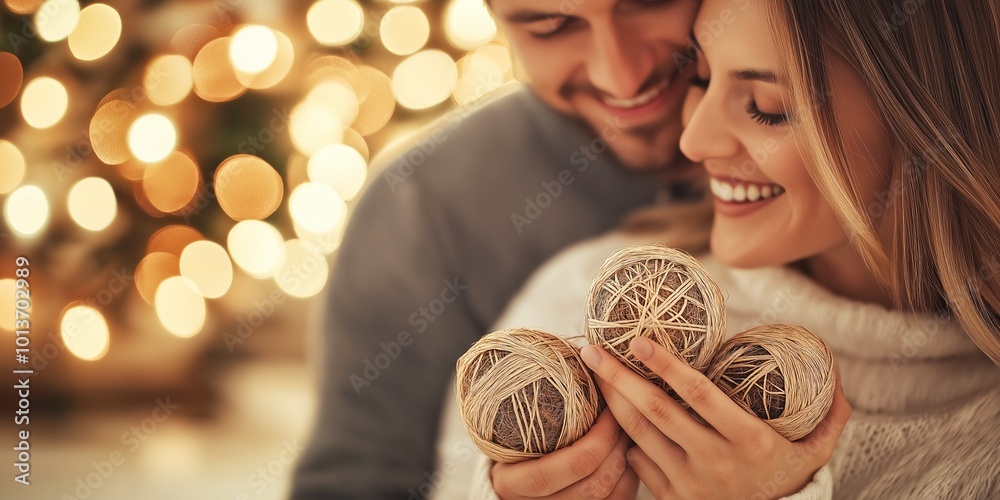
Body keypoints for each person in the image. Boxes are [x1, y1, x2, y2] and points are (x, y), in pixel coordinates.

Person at [437, 0, 1000, 498]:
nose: (693, 140)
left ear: (929, 128)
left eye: (766, 105)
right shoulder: (581, 296)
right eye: (702, 77)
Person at [291, 1, 708, 498]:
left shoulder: (822, 156)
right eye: (549, 26)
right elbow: (354, 481)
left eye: (648, 1)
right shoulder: (420, 205)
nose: (622, 76)